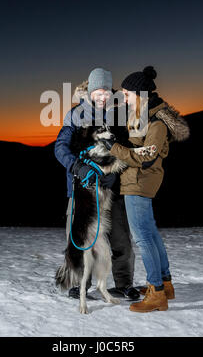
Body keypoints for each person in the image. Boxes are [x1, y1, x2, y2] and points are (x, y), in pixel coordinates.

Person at [99, 66, 190, 312]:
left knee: (143, 237)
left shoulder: (156, 122)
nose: (125, 98)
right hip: (137, 179)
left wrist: (114, 147)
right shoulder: (144, 114)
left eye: (128, 94)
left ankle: (156, 292)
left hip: (139, 182)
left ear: (140, 94)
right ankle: (165, 283)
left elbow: (146, 156)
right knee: (150, 233)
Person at [54, 67, 140, 300]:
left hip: (111, 188)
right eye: (98, 92)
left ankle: (124, 283)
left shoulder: (119, 115)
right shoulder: (75, 114)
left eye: (106, 92)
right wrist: (76, 167)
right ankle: (77, 283)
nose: (102, 97)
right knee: (81, 236)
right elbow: (60, 147)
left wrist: (116, 174)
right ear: (90, 91)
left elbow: (128, 150)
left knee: (120, 236)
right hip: (82, 187)